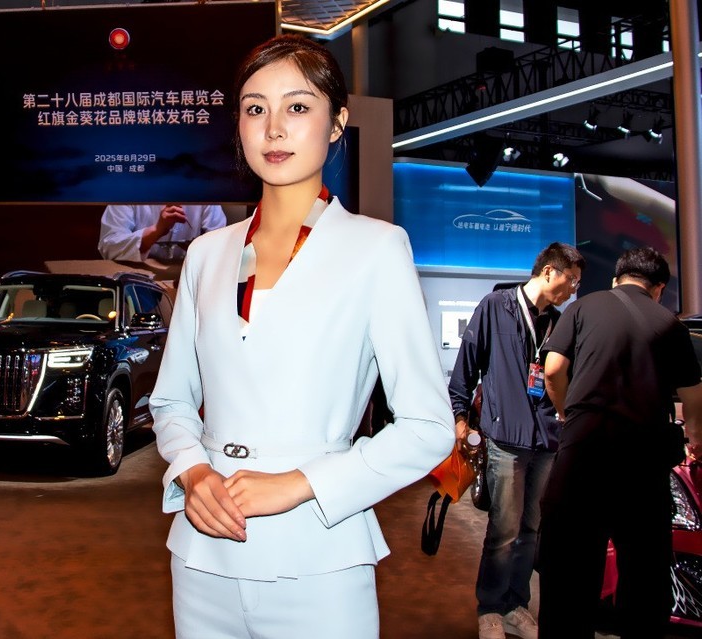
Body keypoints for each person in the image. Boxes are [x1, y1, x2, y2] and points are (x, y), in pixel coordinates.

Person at [149, 34, 454, 638]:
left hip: (319, 555)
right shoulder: (207, 254)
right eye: (255, 108)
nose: (273, 128)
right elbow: (172, 400)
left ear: (337, 122)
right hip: (203, 555)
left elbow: (427, 428)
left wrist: (299, 484)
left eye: (297, 106)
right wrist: (193, 471)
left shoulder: (376, 249)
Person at [538, 247, 702, 638]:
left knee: (568, 573)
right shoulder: (670, 325)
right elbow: (694, 396)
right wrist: (695, 435)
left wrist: (567, 413)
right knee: (644, 575)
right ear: (658, 289)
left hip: (583, 453)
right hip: (643, 461)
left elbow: (553, 369)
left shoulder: (582, 308)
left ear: (617, 279)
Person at [447, 242, 585, 639]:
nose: (573, 289)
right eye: (571, 280)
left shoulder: (558, 321)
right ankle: (490, 607)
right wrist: (459, 417)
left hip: (546, 440)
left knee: (530, 531)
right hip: (506, 438)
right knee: (503, 531)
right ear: (548, 272)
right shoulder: (496, 306)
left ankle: (515, 605)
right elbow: (466, 367)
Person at [97, 203, 226, 263]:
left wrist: (199, 248)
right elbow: (109, 247)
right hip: (136, 280)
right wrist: (156, 231)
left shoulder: (203, 190)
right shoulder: (129, 188)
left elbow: (222, 244)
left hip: (186, 278)